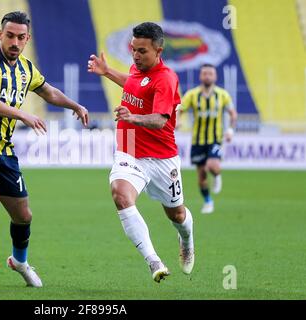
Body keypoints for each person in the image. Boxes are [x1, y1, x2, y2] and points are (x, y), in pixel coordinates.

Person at [0, 11, 88, 292]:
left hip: (4, 151)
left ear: (27, 38)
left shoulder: (27, 68)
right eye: (10, 35)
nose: (15, 42)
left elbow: (49, 92)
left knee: (23, 216)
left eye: (20, 37)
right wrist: (22, 115)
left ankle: (20, 262)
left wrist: (74, 105)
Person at [88, 22, 194, 283]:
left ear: (158, 50)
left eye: (142, 51)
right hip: (130, 145)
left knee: (177, 215)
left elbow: (160, 120)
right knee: (121, 195)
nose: (135, 55)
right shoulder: (138, 68)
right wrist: (107, 71)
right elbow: (134, 84)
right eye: (133, 49)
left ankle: (187, 238)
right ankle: (153, 261)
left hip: (161, 156)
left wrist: (132, 117)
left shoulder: (166, 79)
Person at [179, 64, 238, 214]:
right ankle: (208, 201)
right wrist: (177, 121)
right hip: (197, 141)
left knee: (211, 166)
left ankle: (217, 175)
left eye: (210, 73)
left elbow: (233, 114)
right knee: (202, 176)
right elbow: (180, 109)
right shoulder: (192, 94)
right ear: (200, 76)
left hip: (215, 139)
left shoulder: (222, 95)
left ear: (215, 76)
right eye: (204, 73)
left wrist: (230, 130)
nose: (207, 76)